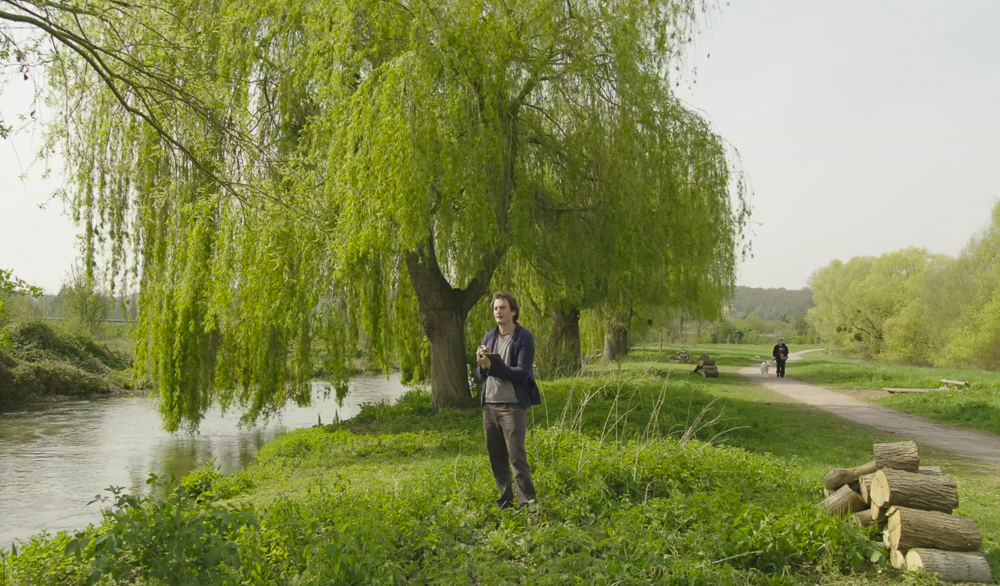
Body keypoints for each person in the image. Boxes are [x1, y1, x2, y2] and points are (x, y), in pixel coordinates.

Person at [476, 291, 541, 510]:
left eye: (502, 308)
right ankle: (505, 500)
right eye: (495, 308)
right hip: (490, 405)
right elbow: (481, 374)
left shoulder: (524, 337)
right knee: (496, 457)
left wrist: (491, 366)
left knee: (516, 457)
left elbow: (522, 373)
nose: (498, 312)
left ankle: (527, 504)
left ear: (513, 311)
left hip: (512, 406)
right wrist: (482, 362)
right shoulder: (488, 336)